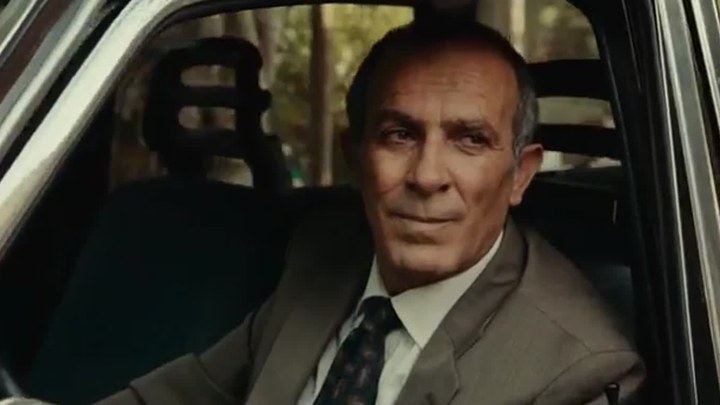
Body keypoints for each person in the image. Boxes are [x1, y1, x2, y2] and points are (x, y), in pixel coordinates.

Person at [94, 18, 644, 405]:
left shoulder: (579, 374)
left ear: (520, 174)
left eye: (470, 140)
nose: (427, 175)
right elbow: (189, 394)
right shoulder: (322, 251)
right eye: (399, 134)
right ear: (355, 158)